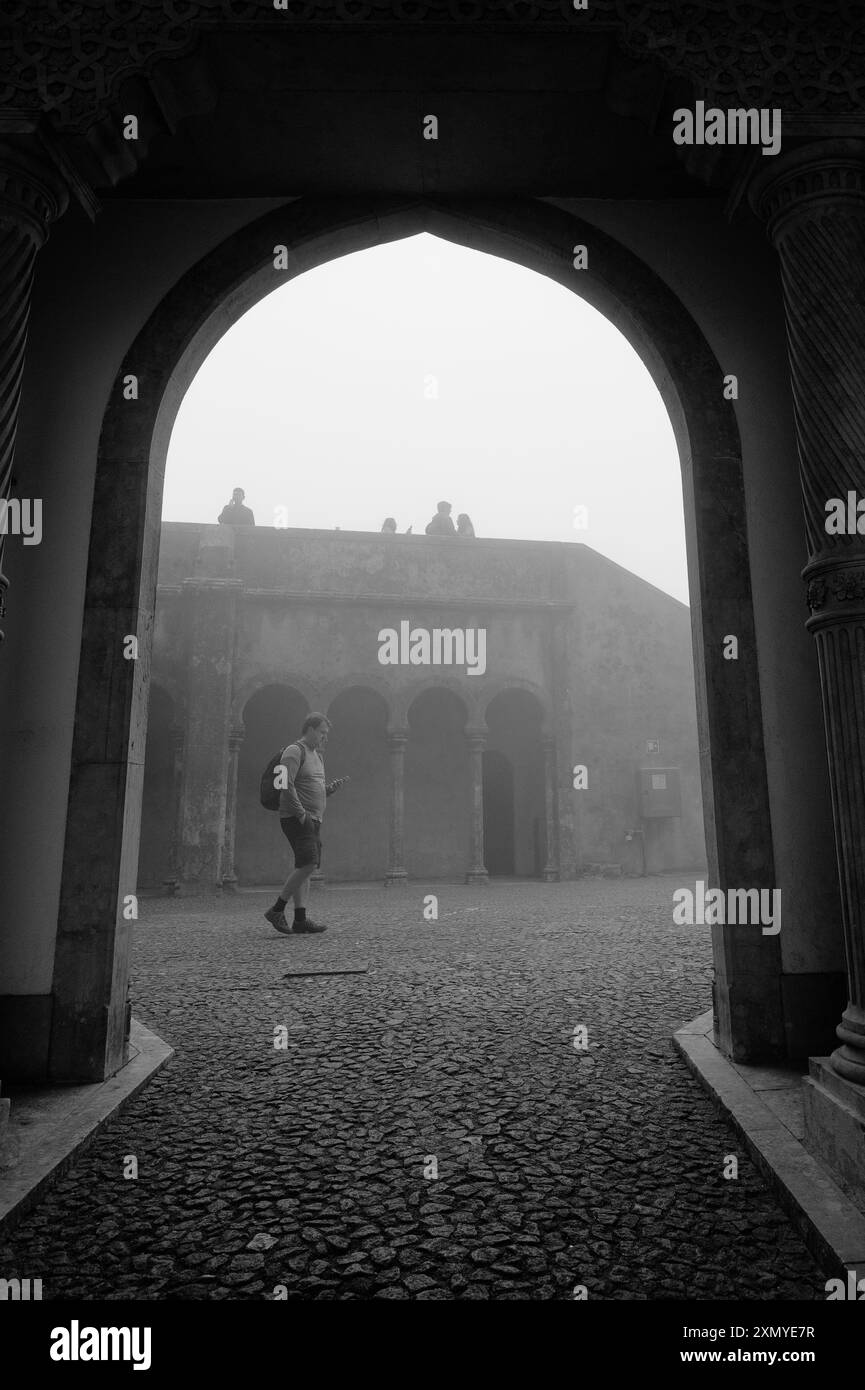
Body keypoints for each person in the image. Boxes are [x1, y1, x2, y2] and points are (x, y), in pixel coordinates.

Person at [263, 713, 349, 935]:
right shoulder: (293, 751)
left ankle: (300, 920)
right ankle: (277, 909)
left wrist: (328, 790)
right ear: (310, 729)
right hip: (296, 818)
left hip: (312, 818)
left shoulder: (317, 755)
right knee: (309, 863)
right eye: (322, 732)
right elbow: (284, 785)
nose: (325, 738)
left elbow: (310, 786)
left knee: (305, 866)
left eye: (326, 734)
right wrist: (301, 815)